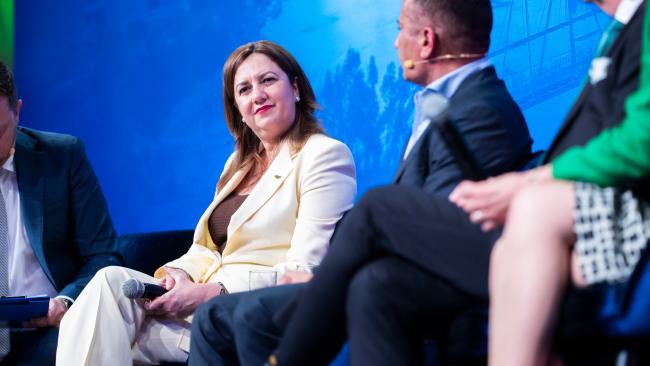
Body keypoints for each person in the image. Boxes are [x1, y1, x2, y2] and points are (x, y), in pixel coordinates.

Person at [188, 0, 536, 365]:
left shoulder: (478, 108)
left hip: (451, 277)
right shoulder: (446, 105)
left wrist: (329, 275)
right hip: (395, 269)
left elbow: (436, 222)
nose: (396, 42)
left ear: (427, 42)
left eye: (401, 29)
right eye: (243, 90)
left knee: (255, 310)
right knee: (209, 313)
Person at [55, 40, 357, 366]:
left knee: (101, 333)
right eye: (244, 89)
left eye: (268, 80)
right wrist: (177, 274)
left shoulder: (323, 155)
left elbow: (302, 273)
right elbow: (208, 250)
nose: (257, 95)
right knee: (108, 282)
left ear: (295, 87)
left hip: (245, 315)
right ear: (238, 110)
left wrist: (214, 292)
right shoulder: (237, 166)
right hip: (198, 303)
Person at [450, 1, 648, 365]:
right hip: (603, 209)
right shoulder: (618, 31)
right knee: (514, 254)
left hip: (634, 209)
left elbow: (642, 140)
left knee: (533, 214)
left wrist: (536, 181)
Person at [0, 62, 122, 365]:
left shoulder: (62, 156)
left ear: (18, 111)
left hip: (50, 331)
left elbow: (103, 254)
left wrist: (65, 301)